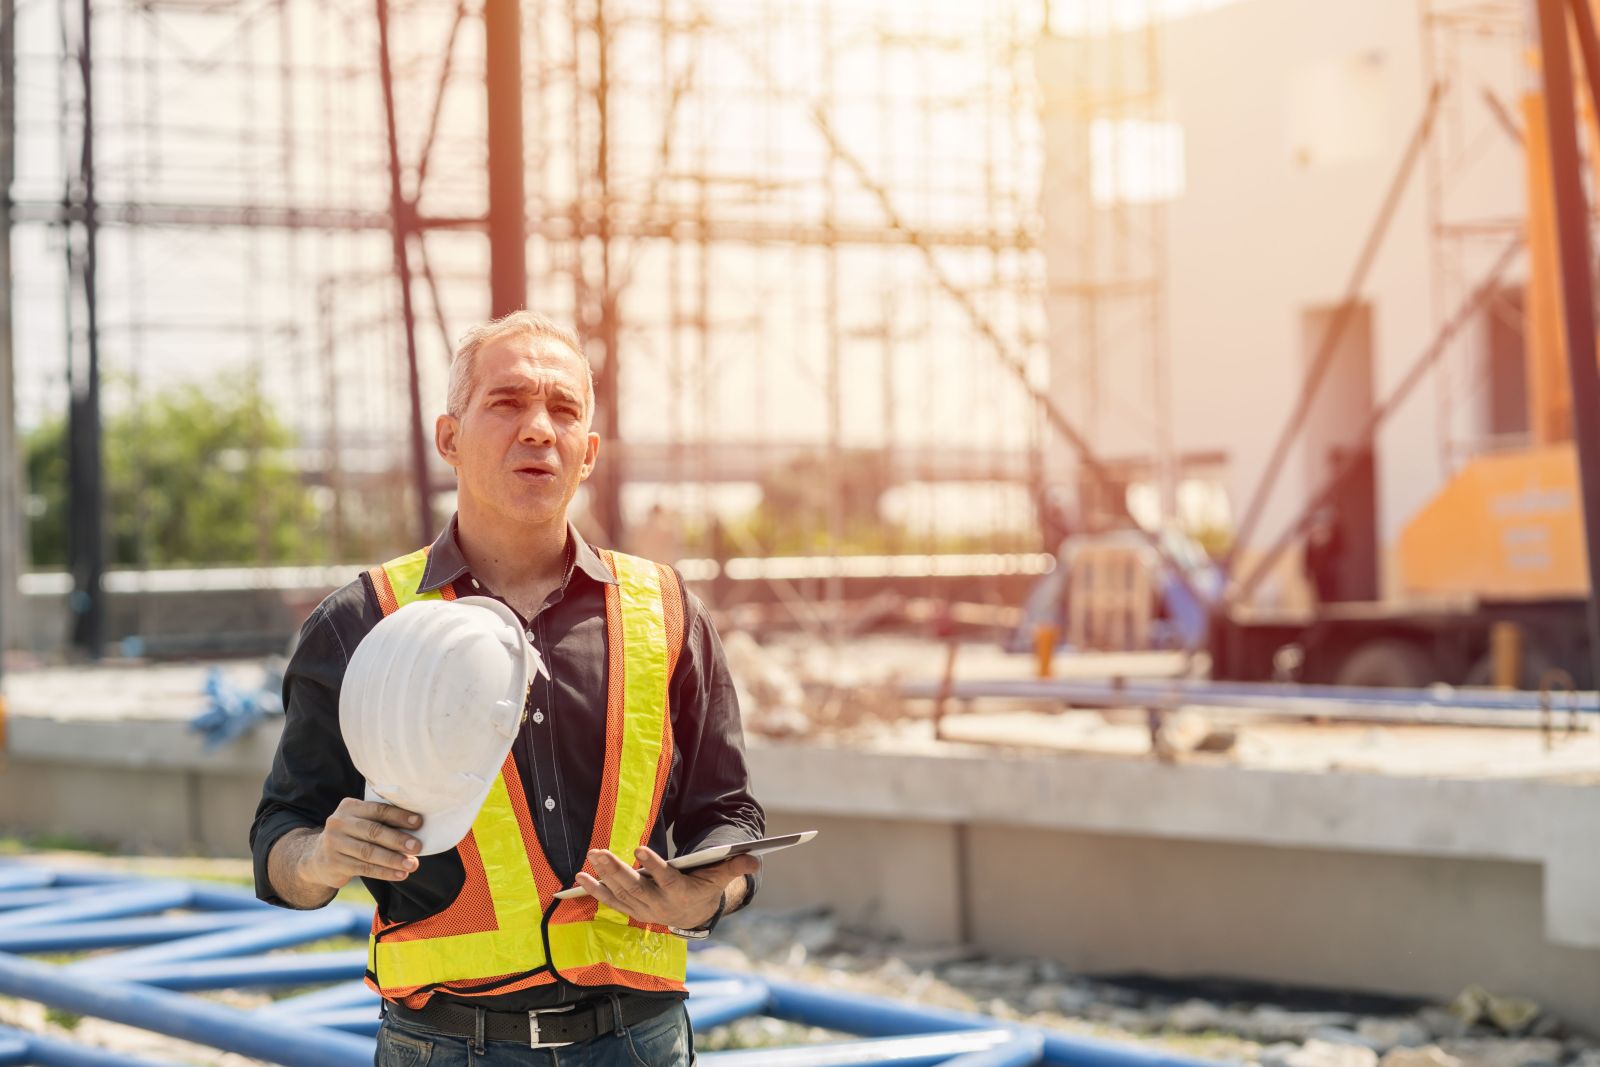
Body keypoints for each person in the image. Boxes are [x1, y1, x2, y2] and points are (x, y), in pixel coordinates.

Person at [250, 310, 766, 1066]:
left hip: (639, 1040)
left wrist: (707, 894)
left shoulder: (667, 612)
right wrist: (323, 856)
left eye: (562, 409)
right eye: (507, 401)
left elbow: (731, 816)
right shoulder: (364, 624)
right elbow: (278, 843)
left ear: (587, 453)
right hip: (448, 1045)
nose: (537, 428)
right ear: (449, 437)